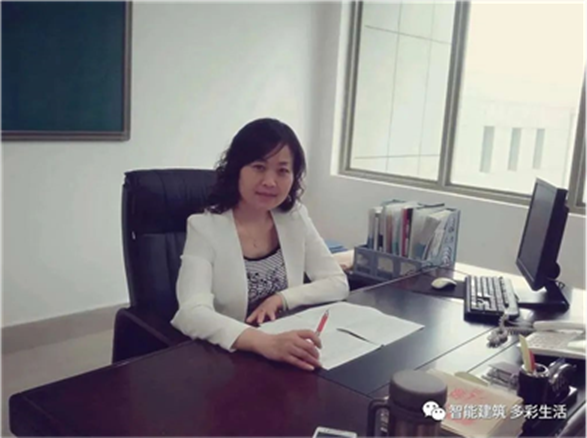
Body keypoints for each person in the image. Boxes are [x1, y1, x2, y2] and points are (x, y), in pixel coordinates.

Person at [171, 118, 349, 371]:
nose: (270, 182)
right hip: (229, 358)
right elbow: (191, 312)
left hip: (285, 351)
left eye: (282, 171)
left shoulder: (294, 217)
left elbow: (337, 283)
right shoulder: (204, 228)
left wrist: (281, 298)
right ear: (236, 169)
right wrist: (264, 342)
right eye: (258, 167)